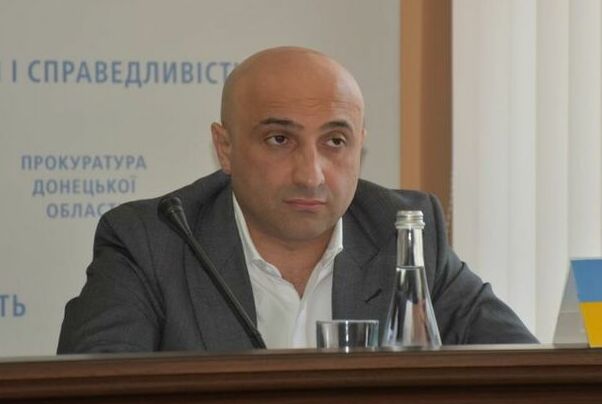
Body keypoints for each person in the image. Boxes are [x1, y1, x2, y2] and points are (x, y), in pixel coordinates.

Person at [57, 47, 536, 353]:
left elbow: (527, 377)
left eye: (335, 142)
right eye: (279, 140)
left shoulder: (405, 233)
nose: (311, 174)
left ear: (360, 145)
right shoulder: (151, 241)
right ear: (226, 147)